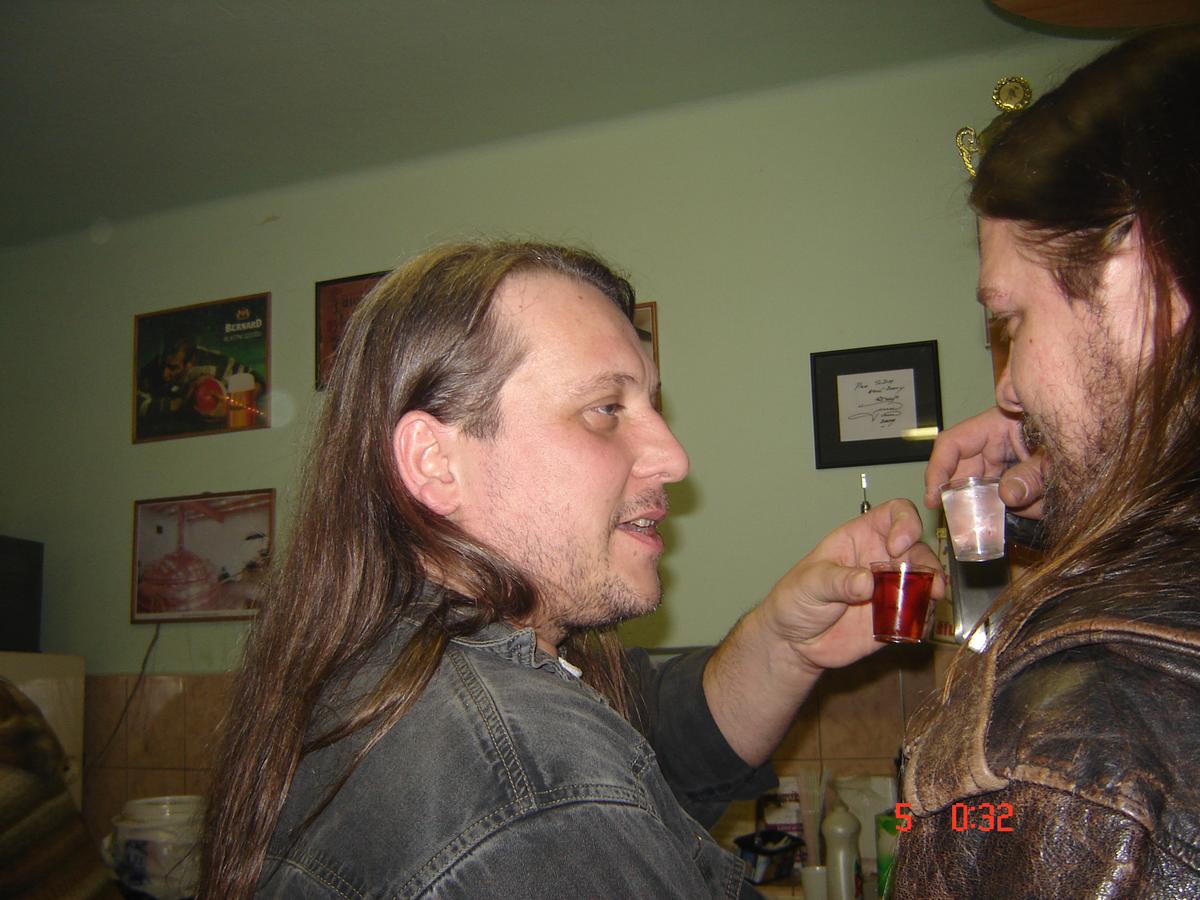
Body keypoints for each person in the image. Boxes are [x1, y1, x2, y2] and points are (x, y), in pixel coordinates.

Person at [199, 241, 940, 898]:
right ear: (436, 462)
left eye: (650, 403)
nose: (673, 457)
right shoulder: (527, 794)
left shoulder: (392, 669)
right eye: (605, 408)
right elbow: (561, 786)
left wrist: (787, 644)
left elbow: (657, 741)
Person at [895, 26, 1200, 897]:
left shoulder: (1083, 739)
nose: (1010, 389)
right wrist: (1076, 493)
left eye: (1010, 321)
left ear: (1141, 273)